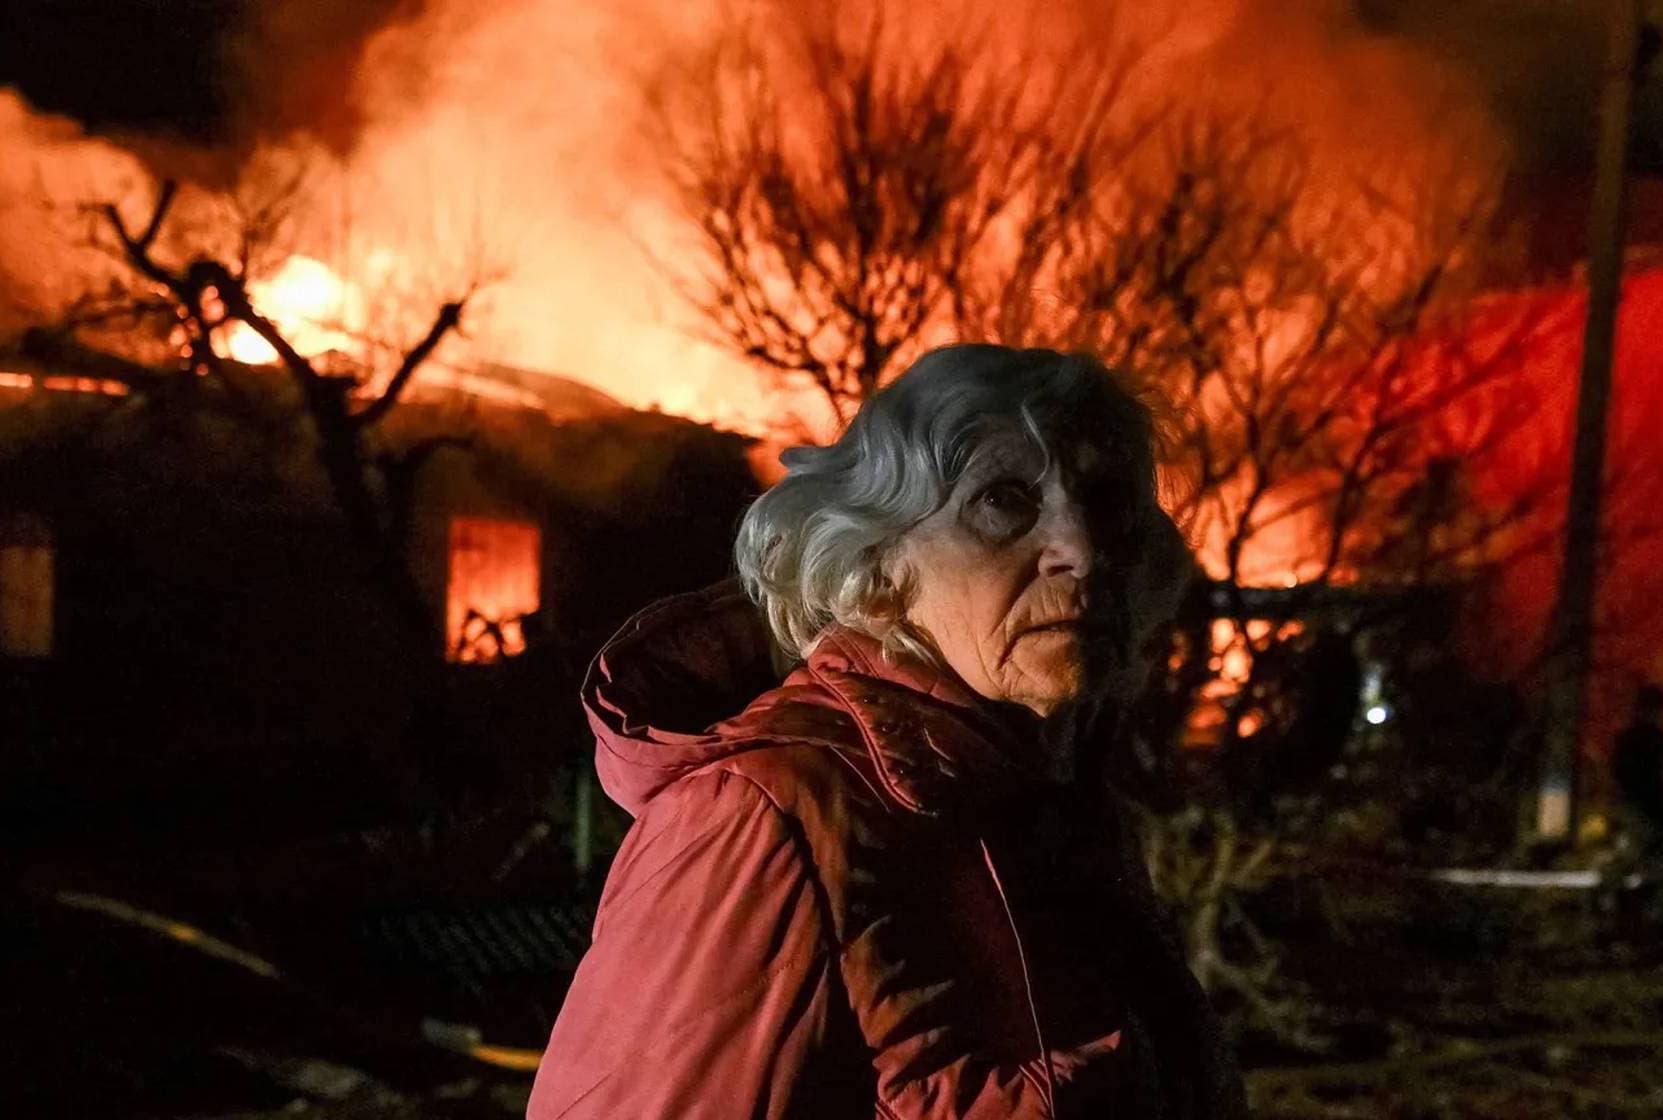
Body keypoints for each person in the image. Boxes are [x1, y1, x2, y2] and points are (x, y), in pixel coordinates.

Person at [528, 345, 1247, 1119]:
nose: (1081, 550)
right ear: (877, 569)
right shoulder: (768, 818)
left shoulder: (1058, 802)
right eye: (1003, 501)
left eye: (1106, 502)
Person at [1606, 685, 1663, 918]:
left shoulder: (1636, 738)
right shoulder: (1648, 738)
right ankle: (1653, 908)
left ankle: (1641, 904)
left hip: (1644, 807)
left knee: (1650, 856)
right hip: (1647, 808)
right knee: (1659, 857)